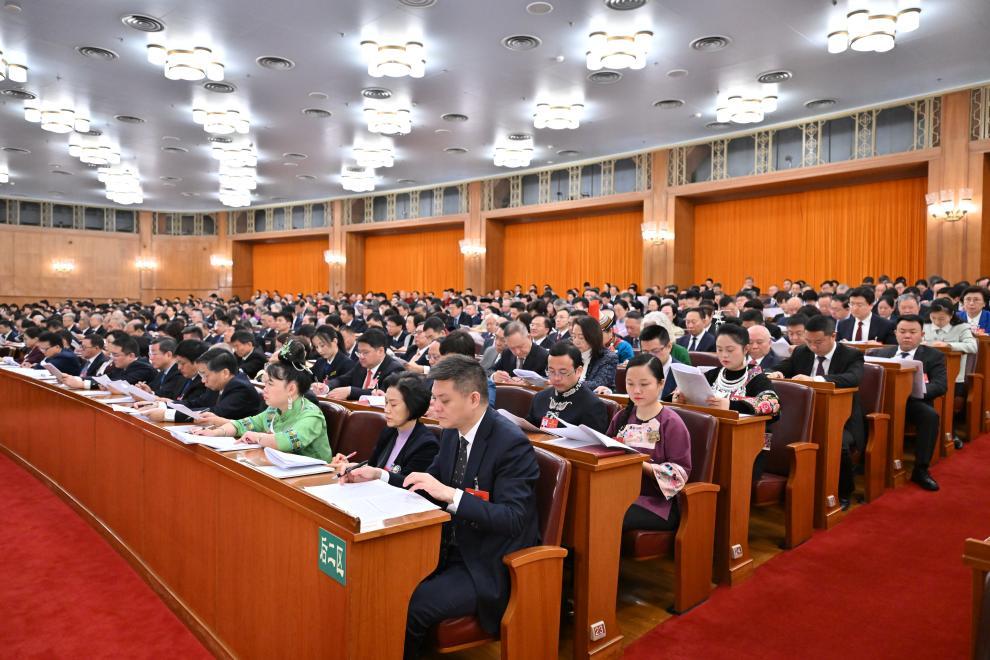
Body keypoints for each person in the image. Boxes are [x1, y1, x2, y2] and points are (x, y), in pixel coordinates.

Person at [341, 355, 540, 659]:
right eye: (434, 398)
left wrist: (451, 495)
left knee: (411, 604)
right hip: (443, 546)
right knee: (379, 583)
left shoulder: (511, 444)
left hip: (484, 561)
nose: (434, 408)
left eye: (443, 400)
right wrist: (380, 475)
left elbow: (513, 518)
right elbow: (427, 483)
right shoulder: (451, 432)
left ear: (473, 399)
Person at [767, 315, 864, 509]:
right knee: (774, 435)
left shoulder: (851, 355)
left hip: (841, 418)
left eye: (818, 342)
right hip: (803, 416)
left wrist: (816, 380)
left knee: (838, 444)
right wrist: (777, 373)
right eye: (809, 341)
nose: (813, 347)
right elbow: (782, 367)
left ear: (833, 336)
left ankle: (842, 492)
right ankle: (792, 487)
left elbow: (853, 378)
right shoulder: (802, 351)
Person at [192, 341, 332, 461]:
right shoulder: (274, 410)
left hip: (316, 477)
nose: (265, 389)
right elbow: (244, 424)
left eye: (270, 384)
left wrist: (258, 437)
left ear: (291, 389)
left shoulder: (311, 415)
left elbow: (288, 441)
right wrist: (215, 433)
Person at [672, 323, 780, 478]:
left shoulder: (758, 378)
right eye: (719, 349)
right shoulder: (711, 374)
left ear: (745, 349)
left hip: (750, 447)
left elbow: (772, 405)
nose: (724, 355)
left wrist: (730, 404)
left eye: (730, 350)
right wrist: (680, 399)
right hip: (712, 440)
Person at [608, 353, 692, 532]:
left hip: (657, 504)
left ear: (661, 384)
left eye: (644, 384)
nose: (636, 391)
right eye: (630, 384)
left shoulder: (672, 423)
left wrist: (640, 464)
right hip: (620, 493)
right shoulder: (621, 417)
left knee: (609, 514)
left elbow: (678, 476)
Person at [870, 315, 946, 491]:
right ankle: (864, 463)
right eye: (902, 331)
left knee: (930, 416)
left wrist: (917, 390)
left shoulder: (934, 356)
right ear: (895, 333)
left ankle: (921, 470)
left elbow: (940, 385)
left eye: (912, 332)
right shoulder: (880, 353)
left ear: (922, 335)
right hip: (883, 401)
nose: (907, 336)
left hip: (913, 402)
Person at [331, 372, 438, 479]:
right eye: (386, 402)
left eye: (394, 404)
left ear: (414, 405)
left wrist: (377, 474)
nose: (386, 409)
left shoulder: (427, 445)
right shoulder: (389, 431)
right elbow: (373, 466)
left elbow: (408, 483)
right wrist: (352, 467)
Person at [145, 347, 263, 423]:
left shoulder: (241, 388)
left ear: (225, 373)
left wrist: (167, 414)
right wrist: (164, 405)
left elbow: (214, 413)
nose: (203, 381)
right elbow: (198, 403)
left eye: (205, 375)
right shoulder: (218, 383)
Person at [526, 342, 610, 433]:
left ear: (578, 371)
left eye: (563, 372)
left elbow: (592, 441)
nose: (556, 378)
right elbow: (527, 431)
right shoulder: (539, 398)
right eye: (551, 371)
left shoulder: (592, 405)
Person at [328, 328, 404, 400]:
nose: (361, 357)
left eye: (365, 352)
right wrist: (327, 386)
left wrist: (351, 391)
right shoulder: (361, 365)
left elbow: (381, 394)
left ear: (380, 351)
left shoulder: (394, 369)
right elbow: (342, 380)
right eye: (359, 352)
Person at [569, 316, 618, 391]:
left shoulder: (608, 357)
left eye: (581, 337)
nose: (576, 341)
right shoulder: (569, 354)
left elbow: (598, 384)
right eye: (574, 336)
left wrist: (568, 383)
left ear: (593, 336)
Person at [310, 326, 354, 390]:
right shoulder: (319, 362)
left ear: (335, 341)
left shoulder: (347, 364)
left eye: (322, 345)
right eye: (316, 347)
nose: (319, 350)